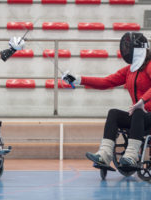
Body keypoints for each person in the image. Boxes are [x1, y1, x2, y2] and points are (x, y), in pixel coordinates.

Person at [62, 32, 151, 168]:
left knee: (138, 112)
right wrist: (79, 79)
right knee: (114, 113)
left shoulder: (149, 66)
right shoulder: (130, 70)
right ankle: (104, 155)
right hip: (138, 118)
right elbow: (106, 82)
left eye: (128, 48)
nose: (126, 51)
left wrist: (142, 101)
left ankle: (132, 156)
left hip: (146, 116)